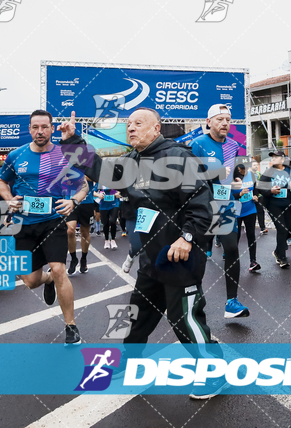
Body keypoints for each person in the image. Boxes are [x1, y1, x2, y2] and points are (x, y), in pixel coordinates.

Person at [63, 107, 224, 400]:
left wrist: (186, 238)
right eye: (128, 125)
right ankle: (130, 359)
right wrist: (74, 141)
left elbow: (202, 203)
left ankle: (214, 372)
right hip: (152, 256)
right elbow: (101, 172)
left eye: (139, 124)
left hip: (180, 254)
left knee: (184, 317)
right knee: (139, 312)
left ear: (156, 129)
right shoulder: (133, 160)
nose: (131, 129)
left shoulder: (178, 157)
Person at [0, 110, 99, 344]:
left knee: (59, 268)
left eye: (44, 127)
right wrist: (8, 199)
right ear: (29, 129)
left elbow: (85, 184)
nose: (40, 131)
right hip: (24, 223)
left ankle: (71, 326)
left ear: (52, 128)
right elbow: (1, 180)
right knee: (31, 281)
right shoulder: (16, 155)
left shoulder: (65, 154)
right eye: (35, 127)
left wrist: (74, 200)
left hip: (53, 221)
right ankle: (47, 279)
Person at [190, 103, 250, 318]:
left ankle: (231, 302)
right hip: (201, 206)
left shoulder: (234, 145)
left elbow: (233, 174)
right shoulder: (197, 144)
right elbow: (189, 178)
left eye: (228, 119)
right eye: (219, 119)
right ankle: (193, 298)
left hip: (223, 204)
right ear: (209, 122)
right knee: (198, 255)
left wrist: (237, 185)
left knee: (232, 248)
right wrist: (213, 173)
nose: (225, 123)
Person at [257, 149, 291, 269]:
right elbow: (260, 187)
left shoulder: (290, 170)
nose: (273, 159)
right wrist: (270, 191)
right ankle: (282, 257)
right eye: (272, 157)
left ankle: (277, 250)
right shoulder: (268, 172)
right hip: (274, 205)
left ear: (282, 159)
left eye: (275, 157)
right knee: (282, 230)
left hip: (289, 204)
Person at [232, 163, 260, 273]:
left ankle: (253, 261)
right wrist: (239, 194)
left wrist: (256, 196)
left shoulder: (251, 175)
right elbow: (228, 196)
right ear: (237, 169)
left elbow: (256, 188)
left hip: (250, 209)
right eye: (242, 169)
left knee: (251, 234)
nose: (244, 171)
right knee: (236, 236)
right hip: (236, 211)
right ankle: (233, 260)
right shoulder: (231, 179)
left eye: (246, 169)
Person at [250, 160, 268, 234]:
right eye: (254, 165)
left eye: (257, 165)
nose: (256, 166)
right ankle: (250, 227)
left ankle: (262, 227)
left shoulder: (259, 174)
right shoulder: (248, 174)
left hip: (259, 195)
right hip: (250, 195)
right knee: (251, 213)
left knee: (260, 211)